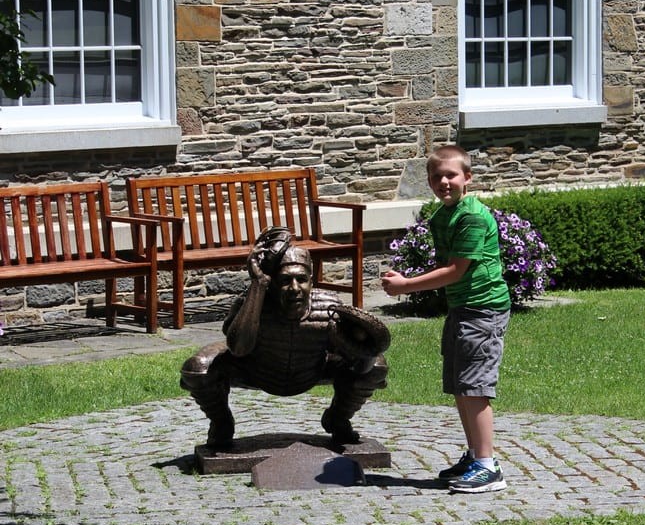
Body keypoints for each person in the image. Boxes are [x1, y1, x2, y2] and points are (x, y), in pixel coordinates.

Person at [181, 227, 390, 447]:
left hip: (311, 369)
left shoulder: (329, 308)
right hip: (256, 369)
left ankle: (338, 419)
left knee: (376, 365)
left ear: (312, 281)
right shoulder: (253, 301)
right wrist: (258, 284)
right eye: (284, 280)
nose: (294, 288)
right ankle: (221, 423)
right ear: (272, 283)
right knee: (198, 368)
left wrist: (366, 349)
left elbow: (359, 366)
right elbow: (238, 348)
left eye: (302, 279)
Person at [381, 145, 511, 493]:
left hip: (483, 310)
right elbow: (449, 269)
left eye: (451, 174)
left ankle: (488, 466)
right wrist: (407, 278)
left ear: (467, 177)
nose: (443, 181)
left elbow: (455, 271)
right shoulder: (444, 215)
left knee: (475, 387)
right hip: (463, 309)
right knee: (460, 384)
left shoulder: (471, 217)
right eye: (436, 176)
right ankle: (474, 456)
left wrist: (407, 285)